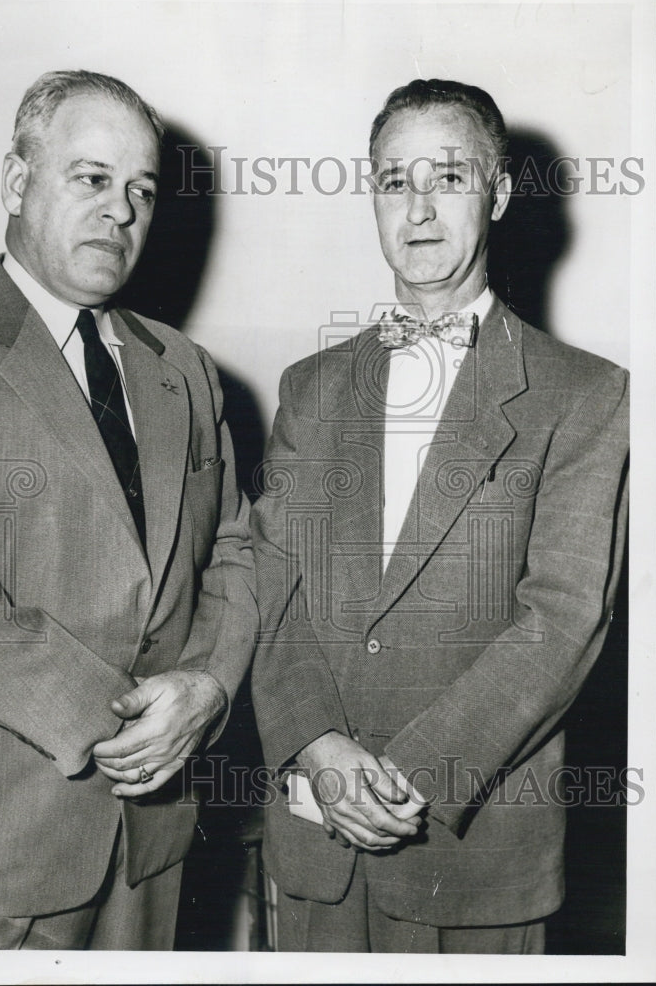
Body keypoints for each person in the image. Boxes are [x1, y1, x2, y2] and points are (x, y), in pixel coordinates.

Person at [251, 79, 629, 953]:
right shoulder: (309, 390)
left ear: (495, 195)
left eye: (448, 178)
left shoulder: (583, 394)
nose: (417, 209)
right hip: (314, 843)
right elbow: (271, 586)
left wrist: (409, 775)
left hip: (475, 854)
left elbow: (563, 620)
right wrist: (314, 747)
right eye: (393, 181)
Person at [0, 69, 257, 950]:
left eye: (140, 190)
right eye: (91, 178)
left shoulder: (183, 368)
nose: (121, 210)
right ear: (14, 182)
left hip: (156, 848)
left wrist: (209, 687)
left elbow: (237, 549)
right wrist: (118, 723)